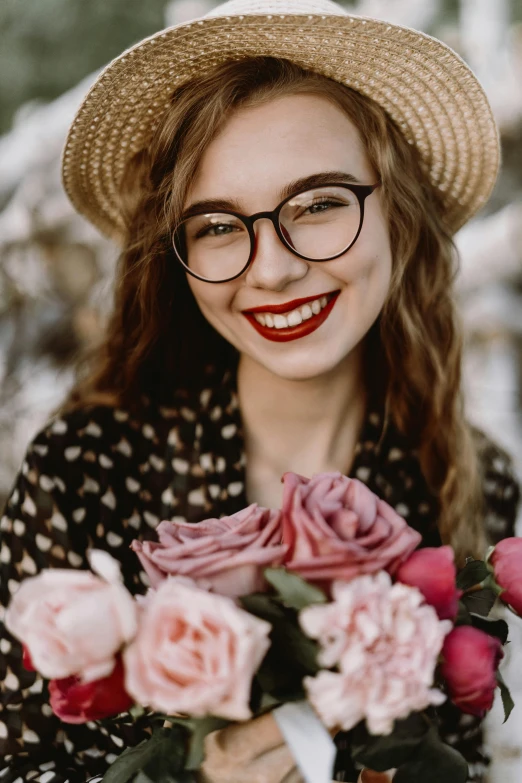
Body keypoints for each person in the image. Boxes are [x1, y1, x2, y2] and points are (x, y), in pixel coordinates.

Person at [0, 0, 520, 781]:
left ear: (399, 214)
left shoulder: (474, 483)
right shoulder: (82, 470)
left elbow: (464, 757)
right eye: (216, 225)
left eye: (317, 205)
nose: (270, 268)